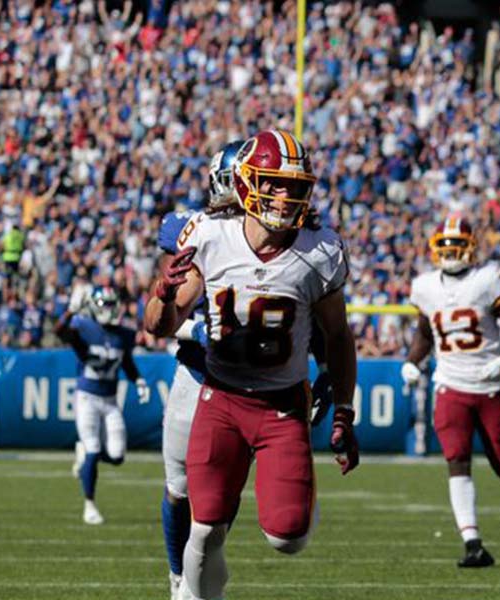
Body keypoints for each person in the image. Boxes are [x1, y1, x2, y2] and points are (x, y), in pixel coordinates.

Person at [141, 130, 359, 600]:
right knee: (204, 526)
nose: (284, 196)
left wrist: (344, 408)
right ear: (243, 182)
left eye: (293, 185)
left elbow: (338, 335)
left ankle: (299, 498)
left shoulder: (320, 250)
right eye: (273, 183)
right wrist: (161, 293)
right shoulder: (208, 234)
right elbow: (158, 325)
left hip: (281, 404)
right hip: (218, 396)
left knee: (288, 537)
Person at [402, 215, 500, 568]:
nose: (451, 251)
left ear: (471, 247)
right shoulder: (425, 286)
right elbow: (426, 333)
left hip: (489, 386)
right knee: (457, 461)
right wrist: (413, 361)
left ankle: (494, 447)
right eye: (444, 245)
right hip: (450, 385)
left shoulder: (486, 280)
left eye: (456, 245)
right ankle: (473, 543)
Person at [152, 140, 244, 599]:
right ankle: (177, 576)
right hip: (196, 375)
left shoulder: (275, 238)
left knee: (224, 495)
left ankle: (202, 573)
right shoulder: (193, 228)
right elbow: (161, 315)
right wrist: (199, 331)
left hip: (245, 381)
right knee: (179, 488)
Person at [56, 286, 146, 526]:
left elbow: (126, 361)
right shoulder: (84, 326)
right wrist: (68, 312)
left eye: (111, 304)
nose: (108, 309)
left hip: (110, 400)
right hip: (87, 397)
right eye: (103, 304)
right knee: (94, 449)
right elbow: (60, 332)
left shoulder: (123, 334)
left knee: (117, 456)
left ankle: (84, 456)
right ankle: (89, 505)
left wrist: (138, 380)